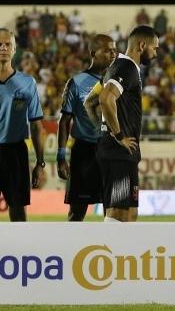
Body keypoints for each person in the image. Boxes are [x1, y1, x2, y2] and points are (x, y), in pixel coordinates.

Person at [96, 25, 159, 222]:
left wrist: (103, 129)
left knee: (130, 214)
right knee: (118, 213)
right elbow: (105, 99)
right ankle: (102, 253)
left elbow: (90, 101)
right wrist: (118, 135)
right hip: (118, 153)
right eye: (154, 48)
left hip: (123, 154)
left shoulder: (119, 67)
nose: (156, 53)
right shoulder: (127, 67)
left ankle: (117, 253)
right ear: (142, 45)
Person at [56, 34, 117, 221]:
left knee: (113, 213)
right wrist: (61, 156)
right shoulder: (76, 82)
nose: (113, 54)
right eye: (107, 50)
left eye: (114, 49)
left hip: (110, 150)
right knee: (77, 212)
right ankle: (70, 250)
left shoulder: (119, 81)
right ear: (93, 53)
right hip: (84, 152)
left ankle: (112, 250)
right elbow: (65, 120)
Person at [0, 28, 45, 221]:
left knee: (18, 212)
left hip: (15, 153)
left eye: (7, 44)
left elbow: (36, 126)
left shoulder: (27, 83)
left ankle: (20, 252)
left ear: (15, 48)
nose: (3, 48)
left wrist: (40, 162)